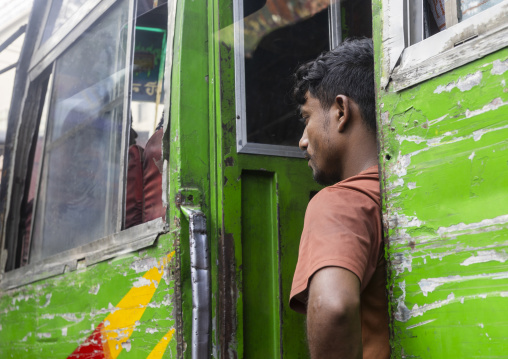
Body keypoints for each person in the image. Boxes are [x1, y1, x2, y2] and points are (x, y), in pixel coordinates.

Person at [289, 38, 390, 358]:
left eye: (307, 118)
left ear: (341, 111)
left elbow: (333, 307)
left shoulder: (340, 201)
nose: (303, 141)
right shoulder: (403, 196)